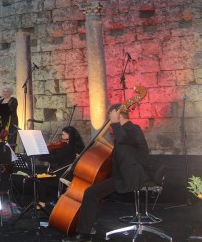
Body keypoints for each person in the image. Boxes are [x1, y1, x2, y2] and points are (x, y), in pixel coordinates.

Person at [63, 104, 151, 242]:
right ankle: (87, 228)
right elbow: (121, 155)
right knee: (93, 193)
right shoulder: (126, 131)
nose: (109, 121)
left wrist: (115, 122)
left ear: (118, 115)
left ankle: (84, 234)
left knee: (91, 193)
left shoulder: (133, 129)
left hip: (132, 176)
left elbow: (123, 140)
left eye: (110, 117)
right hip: (123, 175)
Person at [37, 126, 85, 207]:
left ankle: (43, 203)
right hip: (70, 174)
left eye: (63, 135)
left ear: (69, 135)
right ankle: (52, 201)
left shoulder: (68, 147)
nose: (61, 137)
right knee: (46, 179)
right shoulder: (79, 146)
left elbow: (56, 158)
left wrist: (42, 157)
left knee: (40, 181)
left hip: (64, 176)